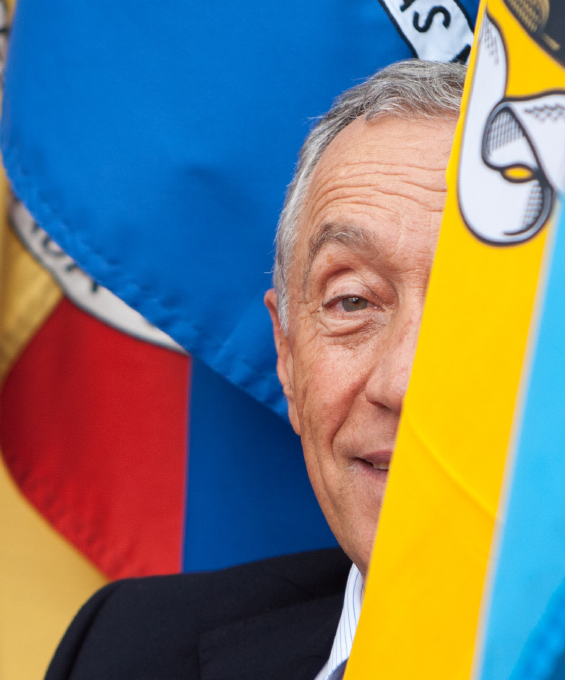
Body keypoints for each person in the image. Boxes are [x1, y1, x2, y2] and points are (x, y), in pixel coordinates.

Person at [45, 59, 465, 680]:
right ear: (287, 357)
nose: (402, 384)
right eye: (352, 302)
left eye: (476, 307)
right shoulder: (124, 651)